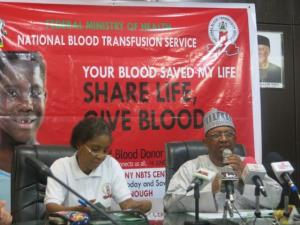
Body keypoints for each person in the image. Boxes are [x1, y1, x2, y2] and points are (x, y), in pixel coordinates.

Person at [163, 108, 282, 212]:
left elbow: (275, 198)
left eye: (229, 134)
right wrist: (211, 189)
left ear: (235, 139)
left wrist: (244, 178)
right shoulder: (191, 167)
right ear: (205, 143)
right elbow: (170, 205)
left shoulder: (246, 164)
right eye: (216, 135)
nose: (224, 139)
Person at [44, 117, 152, 214]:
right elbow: (51, 207)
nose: (101, 156)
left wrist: (139, 205)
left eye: (105, 150)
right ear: (79, 144)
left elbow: (126, 204)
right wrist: (76, 211)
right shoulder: (61, 166)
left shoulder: (111, 164)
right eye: (95, 149)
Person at [0, 51, 47, 210]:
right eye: (12, 93)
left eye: (35, 93)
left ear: (45, 98)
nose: (27, 105)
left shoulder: (55, 168)